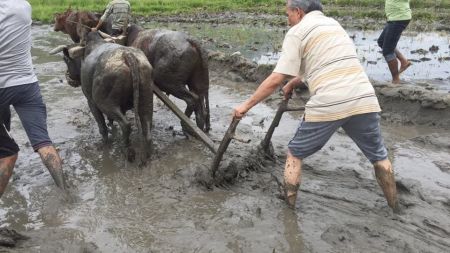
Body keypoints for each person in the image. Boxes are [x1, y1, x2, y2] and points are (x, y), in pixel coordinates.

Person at [233, 0, 400, 213]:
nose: (287, 20)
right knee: (379, 156)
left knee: (294, 153)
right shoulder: (333, 24)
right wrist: (294, 82)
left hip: (330, 101)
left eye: (288, 14)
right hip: (364, 97)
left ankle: (288, 209)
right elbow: (324, 61)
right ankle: (394, 206)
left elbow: (276, 78)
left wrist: (245, 106)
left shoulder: (297, 32)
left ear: (299, 12)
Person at [0, 0, 68, 201]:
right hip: (26, 85)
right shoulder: (24, 7)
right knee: (43, 141)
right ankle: (64, 192)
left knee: (4, 147)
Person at [377, 0, 412, 84]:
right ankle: (404, 61)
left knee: (388, 51)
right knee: (381, 42)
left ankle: (396, 80)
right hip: (394, 18)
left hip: (399, 18)